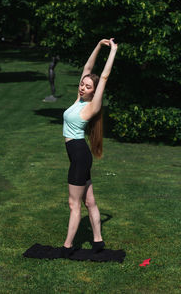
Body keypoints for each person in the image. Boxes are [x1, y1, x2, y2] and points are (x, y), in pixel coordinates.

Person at [62, 38, 118, 257]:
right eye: (82, 85)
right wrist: (98, 45)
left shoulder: (92, 106)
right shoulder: (79, 99)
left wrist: (113, 50)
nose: (82, 87)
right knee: (89, 201)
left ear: (94, 92)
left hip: (78, 156)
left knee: (73, 203)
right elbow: (88, 68)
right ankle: (97, 241)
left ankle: (67, 247)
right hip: (79, 154)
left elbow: (103, 75)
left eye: (87, 86)